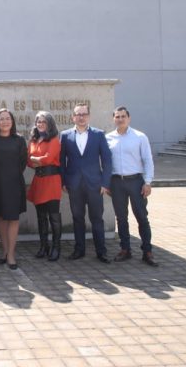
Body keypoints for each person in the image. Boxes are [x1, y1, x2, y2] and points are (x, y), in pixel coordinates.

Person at [60, 104, 113, 263]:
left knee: (97, 218)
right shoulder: (65, 135)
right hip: (74, 185)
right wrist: (64, 181)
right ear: (73, 117)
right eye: (78, 114)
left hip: (95, 185)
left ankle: (101, 251)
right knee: (77, 218)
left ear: (88, 116)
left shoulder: (99, 135)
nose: (81, 117)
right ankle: (79, 250)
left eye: (84, 114)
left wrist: (105, 183)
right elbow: (61, 161)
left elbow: (107, 160)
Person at [105, 106, 157, 266]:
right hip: (116, 182)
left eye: (123, 116)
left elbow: (148, 160)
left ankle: (147, 251)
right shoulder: (108, 138)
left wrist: (148, 182)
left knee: (142, 217)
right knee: (121, 218)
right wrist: (106, 183)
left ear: (129, 118)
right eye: (117, 117)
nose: (120, 119)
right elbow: (105, 163)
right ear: (113, 119)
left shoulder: (139, 137)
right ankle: (125, 249)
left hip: (136, 181)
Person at [0, 108, 28, 270]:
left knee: (13, 218)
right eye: (1, 119)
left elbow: (23, 162)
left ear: (12, 122)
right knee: (1, 218)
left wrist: (12, 175)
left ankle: (11, 254)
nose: (5, 121)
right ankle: (4, 251)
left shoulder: (19, 140)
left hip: (14, 184)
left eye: (8, 118)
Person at [27, 111, 63, 261]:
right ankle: (44, 246)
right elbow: (28, 161)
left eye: (44, 121)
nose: (40, 124)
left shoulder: (54, 139)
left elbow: (48, 159)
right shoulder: (34, 140)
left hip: (52, 180)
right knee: (41, 217)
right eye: (38, 122)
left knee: (54, 216)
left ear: (49, 124)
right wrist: (36, 159)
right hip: (39, 181)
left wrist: (35, 158)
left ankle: (56, 247)